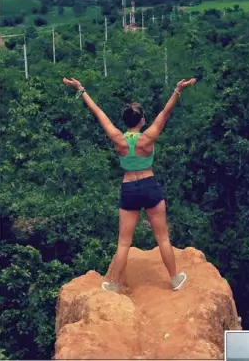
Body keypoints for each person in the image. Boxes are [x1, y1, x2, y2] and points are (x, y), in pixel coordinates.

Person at [62, 76, 196, 292]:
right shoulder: (147, 137)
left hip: (129, 188)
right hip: (150, 185)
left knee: (124, 242)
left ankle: (114, 284)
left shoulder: (118, 138)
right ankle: (174, 279)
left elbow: (99, 113)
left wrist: (81, 89)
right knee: (162, 237)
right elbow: (165, 113)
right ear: (142, 119)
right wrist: (178, 90)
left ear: (126, 121)